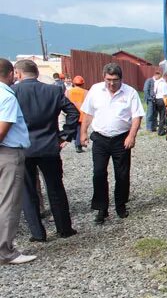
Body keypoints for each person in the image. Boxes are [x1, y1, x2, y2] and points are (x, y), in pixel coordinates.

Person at [13, 60, 79, 242]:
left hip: (23, 147)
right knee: (56, 188)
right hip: (50, 146)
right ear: (36, 72)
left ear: (18, 73)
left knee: (28, 191)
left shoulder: (13, 92)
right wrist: (65, 135)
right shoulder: (54, 90)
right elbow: (73, 113)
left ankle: (37, 233)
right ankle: (64, 228)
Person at [80, 63, 145, 224]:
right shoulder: (95, 90)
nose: (111, 83)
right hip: (100, 138)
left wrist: (132, 136)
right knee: (99, 173)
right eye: (108, 80)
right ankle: (102, 208)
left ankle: (120, 205)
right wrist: (83, 132)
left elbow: (137, 116)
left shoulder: (129, 93)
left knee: (122, 174)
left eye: (115, 80)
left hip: (121, 138)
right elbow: (88, 113)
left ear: (120, 79)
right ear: (104, 77)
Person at [0, 59, 35, 265]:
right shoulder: (6, 96)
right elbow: (3, 130)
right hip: (8, 153)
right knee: (9, 202)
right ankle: (5, 251)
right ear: (12, 73)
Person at [66, 75, 88, 152]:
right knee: (79, 130)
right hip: (81, 114)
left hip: (71, 114)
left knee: (73, 129)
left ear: (73, 83)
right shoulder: (85, 92)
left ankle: (74, 140)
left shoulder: (68, 92)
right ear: (82, 83)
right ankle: (78, 145)